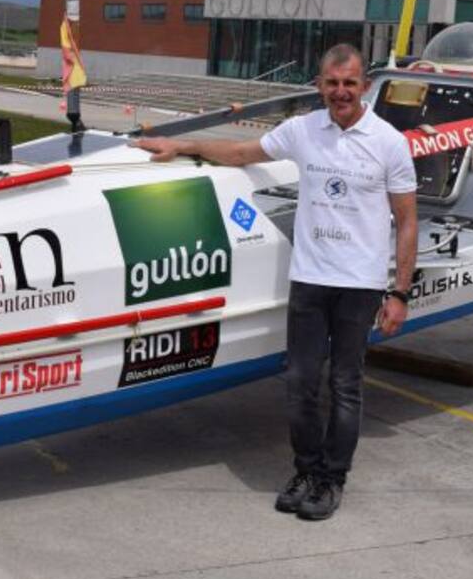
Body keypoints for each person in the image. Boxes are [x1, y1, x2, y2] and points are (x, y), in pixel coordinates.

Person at [135, 43, 417, 522]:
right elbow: (242, 152)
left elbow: (406, 221)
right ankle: (306, 471)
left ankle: (331, 481)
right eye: (332, 83)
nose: (341, 92)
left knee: (345, 385)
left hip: (360, 284)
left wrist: (399, 292)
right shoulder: (304, 130)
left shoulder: (389, 142)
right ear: (319, 85)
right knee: (300, 383)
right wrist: (183, 146)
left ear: (365, 86)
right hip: (309, 277)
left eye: (350, 83)